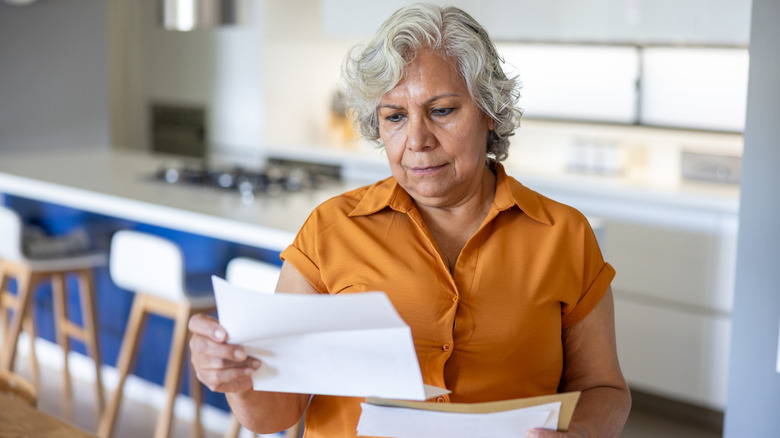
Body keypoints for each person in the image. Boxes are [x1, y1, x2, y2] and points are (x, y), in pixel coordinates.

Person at [188, 3, 631, 437]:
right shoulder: (330, 230)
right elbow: (273, 417)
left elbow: (603, 388)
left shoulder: (564, 235)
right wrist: (238, 380)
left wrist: (583, 433)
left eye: (441, 111)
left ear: (489, 112)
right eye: (395, 117)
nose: (417, 140)